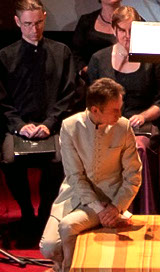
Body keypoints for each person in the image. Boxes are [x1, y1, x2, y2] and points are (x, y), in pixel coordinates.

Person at [0, 0, 79, 240]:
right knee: (10, 160)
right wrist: (19, 126)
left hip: (51, 125)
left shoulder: (61, 52)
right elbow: (1, 99)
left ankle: (44, 213)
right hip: (18, 126)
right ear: (17, 22)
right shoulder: (5, 56)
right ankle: (26, 212)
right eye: (28, 24)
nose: (34, 29)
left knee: (58, 161)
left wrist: (49, 124)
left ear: (44, 18)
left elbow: (69, 93)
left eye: (38, 23)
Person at [39, 78, 142, 272]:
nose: (120, 114)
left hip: (109, 200)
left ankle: (69, 269)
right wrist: (98, 209)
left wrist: (115, 207)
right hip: (74, 196)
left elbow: (133, 175)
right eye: (115, 110)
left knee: (68, 226)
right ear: (95, 110)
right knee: (49, 248)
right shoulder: (70, 126)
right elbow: (74, 175)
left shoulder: (123, 127)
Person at [86, 6, 160, 214]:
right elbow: (92, 102)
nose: (128, 36)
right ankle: (106, 210)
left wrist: (143, 116)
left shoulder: (152, 58)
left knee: (137, 148)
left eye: (132, 30)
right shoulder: (99, 59)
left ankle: (141, 210)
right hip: (108, 124)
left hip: (142, 125)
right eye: (123, 30)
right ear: (114, 30)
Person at [72, 0, 127, 66]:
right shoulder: (86, 21)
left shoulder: (135, 21)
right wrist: (86, 70)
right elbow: (75, 54)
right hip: (93, 74)